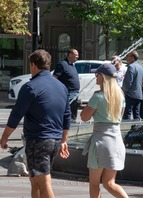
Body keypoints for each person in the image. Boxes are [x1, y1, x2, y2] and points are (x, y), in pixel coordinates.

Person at [1, 50, 71, 198]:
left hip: (38, 140)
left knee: (43, 182)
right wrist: (64, 140)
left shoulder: (30, 87)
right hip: (55, 140)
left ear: (33, 65)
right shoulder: (61, 87)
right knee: (35, 180)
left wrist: (5, 137)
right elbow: (67, 116)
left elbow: (16, 115)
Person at [80, 63, 129, 198]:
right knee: (109, 183)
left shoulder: (98, 97)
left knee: (94, 183)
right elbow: (120, 116)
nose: (95, 77)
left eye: (97, 75)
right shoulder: (120, 95)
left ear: (102, 77)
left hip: (100, 142)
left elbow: (84, 117)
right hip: (116, 141)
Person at [53, 48, 81, 122]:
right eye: (76, 55)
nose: (77, 57)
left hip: (75, 92)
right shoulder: (62, 64)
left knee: (74, 110)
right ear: (70, 55)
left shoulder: (72, 65)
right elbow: (54, 78)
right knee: (67, 111)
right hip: (67, 92)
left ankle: (72, 122)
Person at [121, 51, 143, 120]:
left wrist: (123, 91)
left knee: (127, 113)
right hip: (139, 94)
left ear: (132, 57)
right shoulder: (140, 67)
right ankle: (137, 129)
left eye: (127, 56)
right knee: (136, 114)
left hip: (130, 94)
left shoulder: (131, 67)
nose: (126, 58)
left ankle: (127, 128)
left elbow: (128, 82)